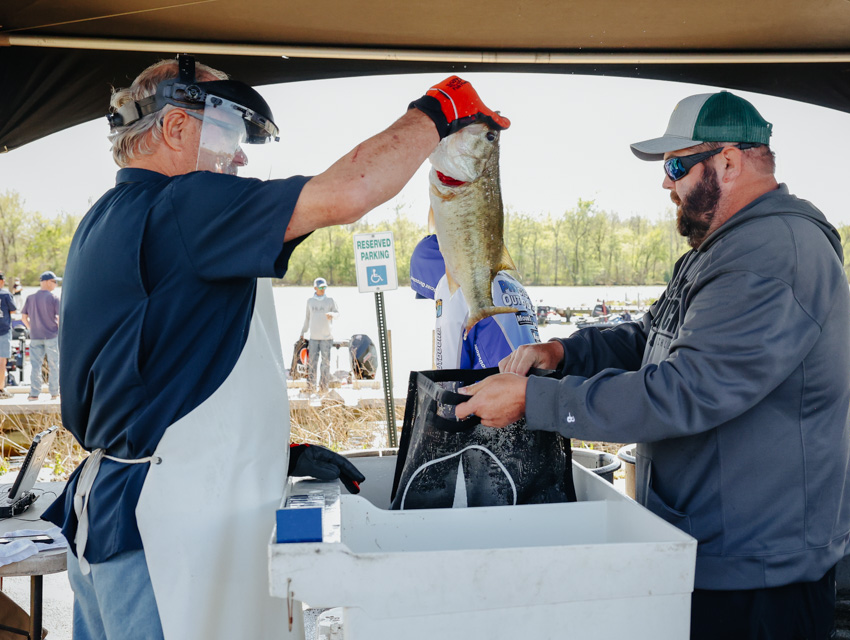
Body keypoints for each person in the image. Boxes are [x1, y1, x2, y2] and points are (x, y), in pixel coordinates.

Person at [40, 54, 507, 640]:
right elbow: (350, 191)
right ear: (176, 127)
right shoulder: (183, 205)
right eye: (230, 134)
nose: (239, 158)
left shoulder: (109, 217)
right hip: (161, 535)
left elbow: (159, 377)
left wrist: (269, 456)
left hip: (116, 512)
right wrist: (437, 113)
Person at [455, 91, 850, 639]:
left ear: (728, 162)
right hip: (715, 548)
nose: (666, 183)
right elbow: (652, 338)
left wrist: (535, 400)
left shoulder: (770, 254)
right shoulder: (723, 249)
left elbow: (686, 390)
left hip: (759, 572)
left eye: (676, 166)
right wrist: (566, 353)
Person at [409, 233, 539, 369]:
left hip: (496, 379)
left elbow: (449, 368)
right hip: (529, 377)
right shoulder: (510, 280)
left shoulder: (453, 282)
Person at [21, 271, 60, 401]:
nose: (56, 284)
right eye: (54, 282)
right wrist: (58, 330)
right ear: (47, 282)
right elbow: (59, 318)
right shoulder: (54, 298)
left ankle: (34, 393)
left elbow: (23, 317)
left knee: (35, 366)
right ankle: (54, 393)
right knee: (54, 365)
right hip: (51, 336)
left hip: (35, 336)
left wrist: (31, 328)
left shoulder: (30, 298)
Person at [300, 277, 339, 392]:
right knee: (312, 363)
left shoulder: (330, 301)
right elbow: (307, 318)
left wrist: (332, 314)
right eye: (321, 287)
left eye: (324, 287)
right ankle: (311, 387)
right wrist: (303, 332)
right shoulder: (310, 301)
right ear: (315, 288)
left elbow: (337, 314)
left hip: (326, 338)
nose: (323, 289)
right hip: (313, 338)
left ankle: (323, 387)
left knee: (325, 364)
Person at [0, 273, 16, 399]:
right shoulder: (6, 294)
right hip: (3, 331)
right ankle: (1, 389)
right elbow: (13, 310)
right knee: (2, 362)